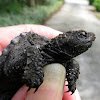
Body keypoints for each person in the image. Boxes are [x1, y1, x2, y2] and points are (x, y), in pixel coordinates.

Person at [0, 24, 81, 100]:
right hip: (4, 82)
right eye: (82, 35)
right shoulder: (37, 48)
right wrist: (34, 74)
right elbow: (32, 50)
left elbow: (73, 64)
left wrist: (72, 79)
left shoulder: (69, 62)